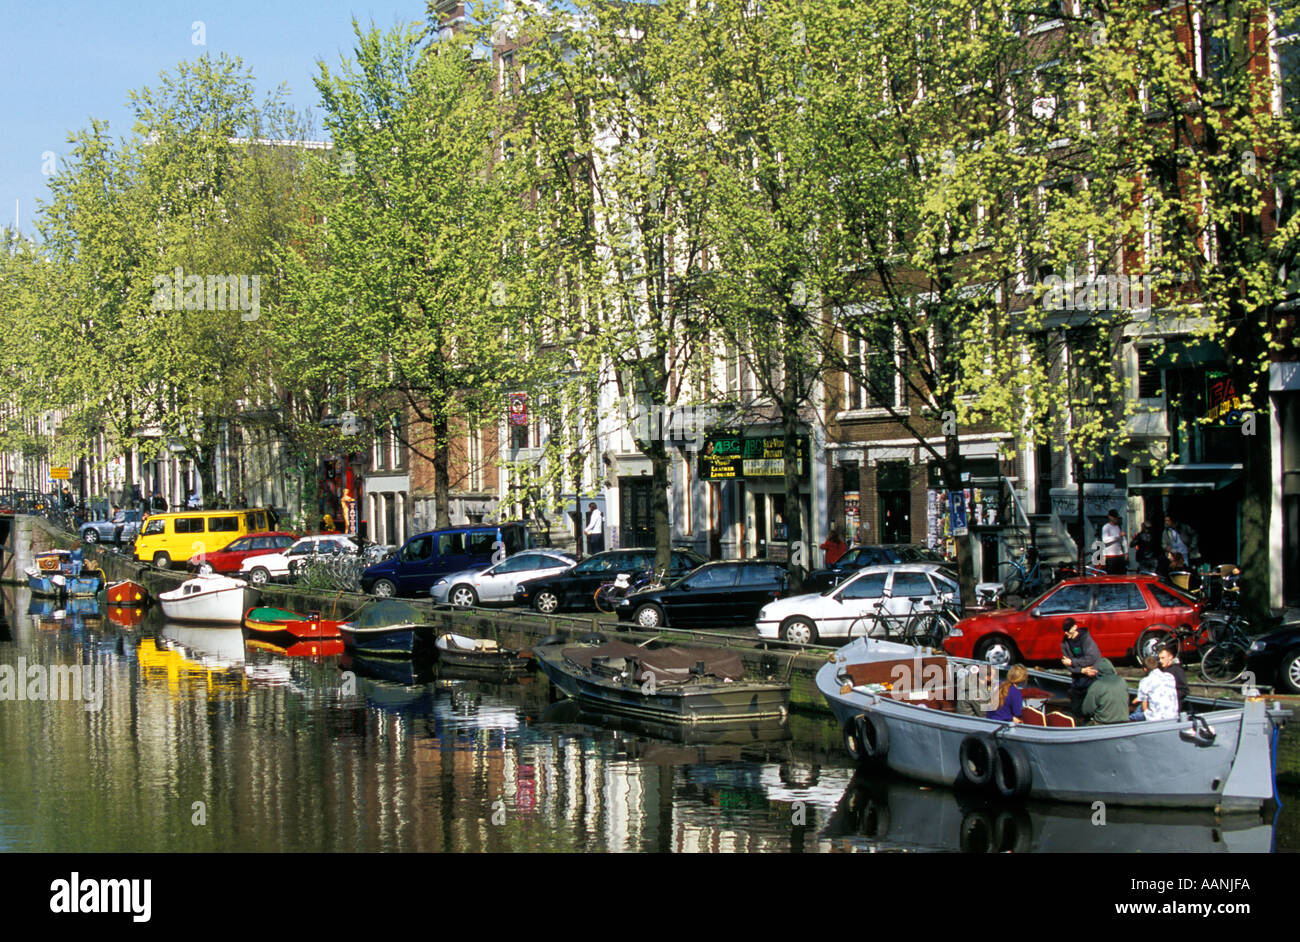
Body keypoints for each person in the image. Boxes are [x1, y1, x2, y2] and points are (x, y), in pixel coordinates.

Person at [1061, 618, 1101, 716]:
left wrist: (1072, 662)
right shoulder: (1065, 643)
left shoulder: (1086, 639)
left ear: (1075, 627)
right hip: (1078, 677)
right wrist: (1081, 670)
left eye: (1068, 630)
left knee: (1090, 704)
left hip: (1092, 676)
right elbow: (1067, 664)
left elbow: (1091, 658)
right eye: (1065, 631)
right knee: (1076, 705)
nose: (1066, 633)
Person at [1081, 658, 1131, 725]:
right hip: (1124, 722)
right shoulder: (1122, 681)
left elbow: (1086, 710)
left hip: (1104, 723)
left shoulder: (1096, 685)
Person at [1131, 655, 1179, 721]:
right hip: (1173, 716)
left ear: (1145, 669)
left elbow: (1144, 705)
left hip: (1155, 719)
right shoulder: (1170, 676)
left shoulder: (1145, 681)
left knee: (1132, 717)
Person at [1157, 644, 1189, 715]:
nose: (1160, 661)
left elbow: (1184, 690)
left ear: (1170, 657)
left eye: (1163, 658)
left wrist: (1169, 696)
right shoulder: (1161, 670)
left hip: (1173, 707)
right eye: (1159, 658)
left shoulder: (1177, 670)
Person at [1102, 509, 1127, 574]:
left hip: (1119, 555)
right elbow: (1105, 540)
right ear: (1110, 517)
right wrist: (1117, 536)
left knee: (1121, 575)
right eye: (1114, 517)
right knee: (1112, 575)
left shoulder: (1117, 527)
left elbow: (1122, 540)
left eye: (1116, 517)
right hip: (1111, 556)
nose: (1116, 519)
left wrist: (1126, 552)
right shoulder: (1106, 527)